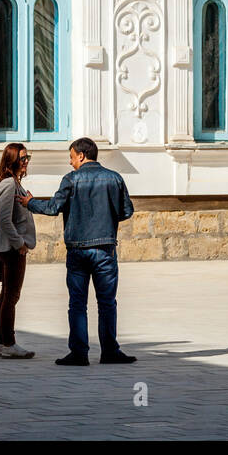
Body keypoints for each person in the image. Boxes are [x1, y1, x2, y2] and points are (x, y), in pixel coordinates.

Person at [22, 138, 136, 366]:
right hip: (105, 250)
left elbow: (53, 208)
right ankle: (110, 351)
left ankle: (79, 353)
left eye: (72, 156)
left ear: (82, 155)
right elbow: (126, 211)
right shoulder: (114, 178)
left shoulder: (71, 180)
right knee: (107, 303)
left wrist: (30, 202)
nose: (70, 161)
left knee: (77, 303)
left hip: (77, 251)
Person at [0, 142, 35, 359]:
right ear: (13, 161)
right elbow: (4, 220)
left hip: (8, 247)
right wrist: (20, 244)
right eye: (22, 158)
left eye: (27, 158)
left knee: (6, 295)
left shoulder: (13, 183)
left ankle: (1, 343)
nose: (26, 162)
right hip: (12, 249)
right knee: (11, 297)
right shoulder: (9, 184)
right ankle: (9, 343)